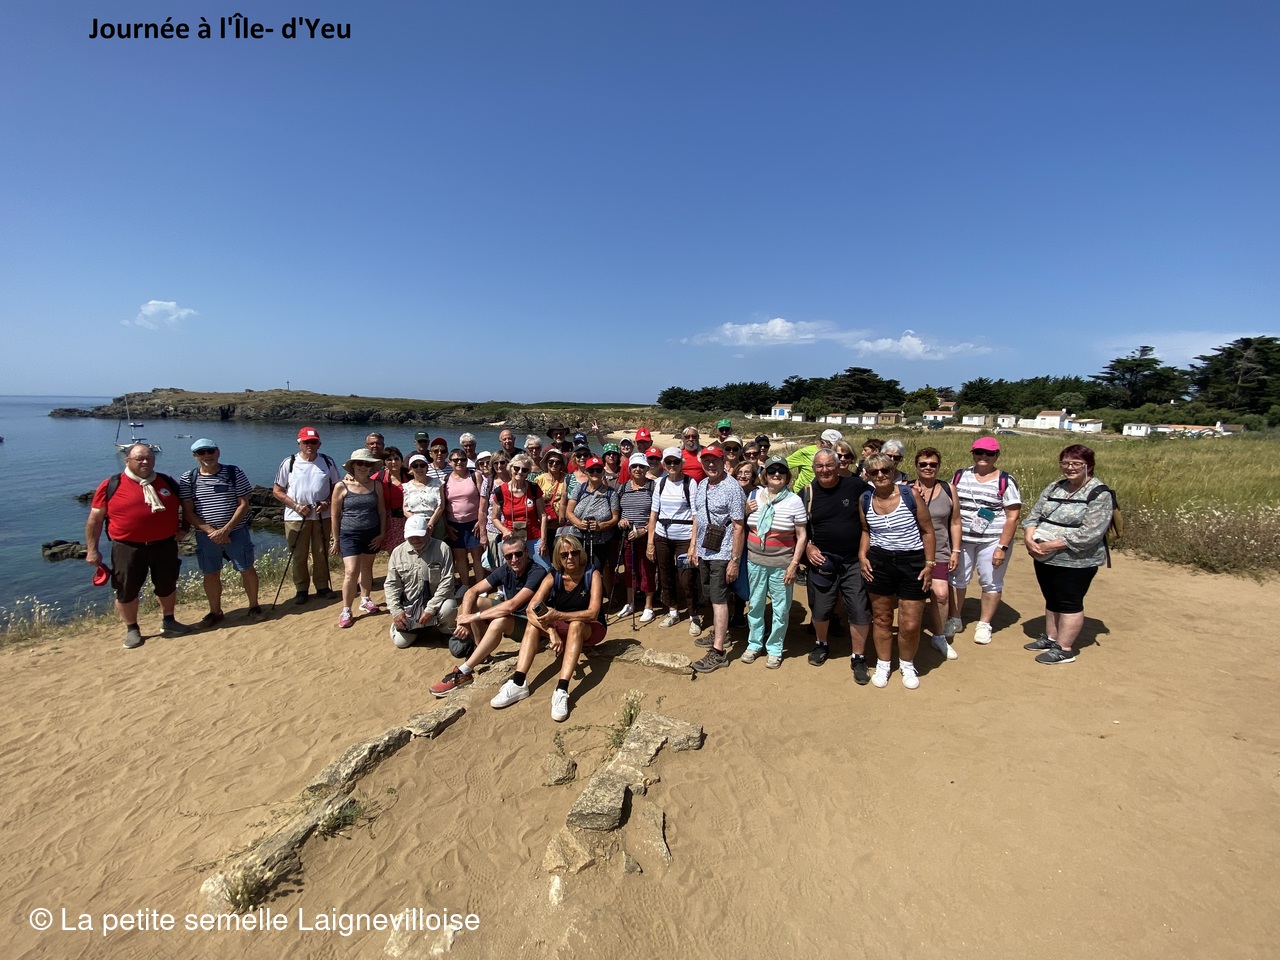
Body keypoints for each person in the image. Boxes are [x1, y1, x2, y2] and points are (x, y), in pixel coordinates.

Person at [84, 442, 190, 648]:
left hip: (164, 545)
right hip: (127, 547)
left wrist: (185, 528)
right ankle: (132, 629)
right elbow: (95, 520)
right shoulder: (111, 485)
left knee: (167, 584)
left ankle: (169, 620)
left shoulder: (167, 482)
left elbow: (187, 506)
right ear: (127, 461)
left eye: (149, 458)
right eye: (139, 458)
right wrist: (92, 550)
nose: (145, 462)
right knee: (126, 589)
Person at [491, 535, 607, 722]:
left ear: (581, 554)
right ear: (558, 557)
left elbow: (593, 613)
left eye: (574, 553)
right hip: (563, 626)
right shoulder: (554, 576)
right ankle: (519, 682)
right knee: (532, 624)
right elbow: (530, 609)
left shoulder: (591, 574)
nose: (570, 558)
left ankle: (562, 689)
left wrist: (558, 616)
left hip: (590, 628)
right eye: (564, 555)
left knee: (576, 624)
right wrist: (551, 631)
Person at [1021, 445, 1115, 664]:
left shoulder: (1099, 494)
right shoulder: (1055, 487)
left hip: (1077, 561)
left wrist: (1051, 546)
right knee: (1052, 597)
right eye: (1065, 463)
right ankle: (1051, 638)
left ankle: (1064, 649)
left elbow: (1090, 534)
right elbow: (1033, 516)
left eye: (1076, 464)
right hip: (1043, 556)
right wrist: (1029, 538)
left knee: (1069, 601)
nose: (1070, 468)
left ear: (1089, 465)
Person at [430, 535, 548, 697]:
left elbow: (512, 605)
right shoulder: (506, 569)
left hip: (534, 626)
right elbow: (472, 591)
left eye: (518, 554)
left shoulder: (537, 572)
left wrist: (473, 617)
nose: (514, 559)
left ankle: (464, 671)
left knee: (499, 621)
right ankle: (481, 652)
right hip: (515, 618)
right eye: (509, 556)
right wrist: (464, 619)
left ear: (527, 552)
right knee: (477, 601)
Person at [858, 453, 936, 689]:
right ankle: (883, 663)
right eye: (874, 472)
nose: (880, 475)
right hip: (880, 562)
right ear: (868, 475)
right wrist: (862, 555)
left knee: (910, 622)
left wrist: (929, 564)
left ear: (893, 471)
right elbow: (866, 530)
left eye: (885, 470)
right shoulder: (865, 499)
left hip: (912, 562)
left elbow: (928, 530)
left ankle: (907, 663)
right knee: (882, 618)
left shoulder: (910, 495)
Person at [803, 449, 874, 682]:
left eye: (829, 465)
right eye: (819, 466)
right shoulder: (807, 492)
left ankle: (858, 657)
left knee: (859, 609)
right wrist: (808, 547)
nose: (824, 470)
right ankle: (821, 644)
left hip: (854, 560)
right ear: (814, 468)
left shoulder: (856, 486)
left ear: (838, 466)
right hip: (822, 560)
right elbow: (799, 528)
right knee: (821, 608)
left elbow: (880, 502)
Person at [179, 438, 260, 624]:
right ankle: (215, 612)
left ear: (218, 452)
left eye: (210, 451)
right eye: (201, 452)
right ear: (195, 456)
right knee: (210, 573)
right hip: (206, 536)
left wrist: (226, 530)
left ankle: (254, 607)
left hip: (236, 532)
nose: (207, 455)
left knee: (246, 569)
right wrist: (211, 532)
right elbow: (188, 511)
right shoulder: (188, 478)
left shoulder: (234, 472)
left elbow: (243, 504)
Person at [950, 437, 1022, 645]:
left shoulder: (1005, 481)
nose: (984, 457)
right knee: (957, 578)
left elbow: (1012, 516)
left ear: (997, 455)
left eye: (989, 453)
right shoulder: (960, 476)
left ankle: (984, 624)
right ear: (972, 453)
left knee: (991, 581)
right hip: (963, 539)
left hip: (992, 540)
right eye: (979, 452)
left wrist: (1002, 547)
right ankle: (955, 618)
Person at [741, 455, 809, 669]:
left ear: (787, 476)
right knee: (755, 605)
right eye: (772, 470)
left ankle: (775, 648)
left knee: (780, 608)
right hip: (755, 562)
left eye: (781, 471)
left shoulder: (794, 501)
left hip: (782, 564)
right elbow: (741, 524)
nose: (776, 474)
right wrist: (745, 511)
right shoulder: (754, 495)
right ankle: (754, 644)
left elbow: (802, 535)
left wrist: (794, 564)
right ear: (765, 474)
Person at [689, 445, 747, 673]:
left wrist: (734, 560)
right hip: (705, 550)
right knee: (712, 595)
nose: (711, 464)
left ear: (724, 462)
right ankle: (721, 633)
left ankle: (719, 651)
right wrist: (693, 546)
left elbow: (739, 527)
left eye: (715, 460)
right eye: (707, 460)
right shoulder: (703, 484)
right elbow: (698, 517)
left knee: (719, 598)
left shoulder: (732, 488)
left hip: (722, 553)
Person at [272, 426, 342, 604]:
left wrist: (327, 502)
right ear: (299, 443)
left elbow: (337, 487)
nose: (310, 445)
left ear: (319, 444)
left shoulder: (327, 461)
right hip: (296, 517)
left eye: (313, 442)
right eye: (306, 442)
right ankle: (301, 589)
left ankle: (322, 587)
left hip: (322, 516)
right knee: (298, 554)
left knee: (321, 552)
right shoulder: (289, 462)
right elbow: (277, 491)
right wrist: (296, 506)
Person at [911, 447, 962, 661]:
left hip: (940, 550)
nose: (928, 467)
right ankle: (908, 635)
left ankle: (939, 636)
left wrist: (956, 550)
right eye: (923, 464)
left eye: (933, 464)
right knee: (909, 596)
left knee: (941, 594)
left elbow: (955, 522)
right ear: (916, 466)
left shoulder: (949, 489)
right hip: (912, 551)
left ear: (939, 466)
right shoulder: (907, 489)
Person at [330, 448, 386, 628]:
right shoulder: (341, 486)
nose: (363, 467)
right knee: (351, 572)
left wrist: (382, 533)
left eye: (367, 464)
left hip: (371, 532)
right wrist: (336, 539)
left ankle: (365, 599)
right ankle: (346, 609)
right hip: (349, 534)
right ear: (353, 465)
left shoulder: (376, 485)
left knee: (367, 568)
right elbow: (335, 515)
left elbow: (381, 511)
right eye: (360, 463)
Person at [385, 514, 460, 650]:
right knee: (401, 643)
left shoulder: (442, 548)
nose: (415, 539)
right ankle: (403, 627)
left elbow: (447, 581)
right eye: (411, 536)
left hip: (437, 599)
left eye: (419, 535)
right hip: (411, 604)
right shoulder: (397, 553)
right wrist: (396, 611)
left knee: (449, 607)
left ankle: (446, 631)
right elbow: (391, 585)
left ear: (428, 531)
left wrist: (430, 609)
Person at [647, 446, 701, 634]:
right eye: (668, 462)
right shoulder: (660, 483)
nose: (672, 465)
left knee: (687, 578)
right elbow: (653, 514)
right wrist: (650, 542)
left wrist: (693, 545)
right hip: (662, 537)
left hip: (684, 538)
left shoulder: (690, 483)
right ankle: (673, 611)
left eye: (675, 461)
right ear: (663, 464)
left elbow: (696, 516)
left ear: (681, 463)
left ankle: (694, 615)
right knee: (665, 575)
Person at [565, 455, 620, 592]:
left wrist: (601, 526)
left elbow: (615, 518)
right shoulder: (579, 488)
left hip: (601, 540)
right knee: (578, 567)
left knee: (596, 569)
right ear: (586, 472)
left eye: (598, 470)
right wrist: (579, 523)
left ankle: (596, 597)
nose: (595, 473)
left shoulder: (611, 493)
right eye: (591, 470)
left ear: (603, 472)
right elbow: (569, 512)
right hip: (579, 538)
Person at [617, 453, 657, 623]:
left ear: (647, 468)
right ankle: (630, 603)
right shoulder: (623, 488)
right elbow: (618, 511)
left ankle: (648, 606)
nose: (638, 469)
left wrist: (644, 530)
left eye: (641, 466)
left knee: (647, 570)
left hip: (646, 535)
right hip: (628, 535)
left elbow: (658, 513)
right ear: (630, 469)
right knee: (629, 569)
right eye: (634, 466)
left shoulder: (653, 486)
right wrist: (621, 521)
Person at [491, 453, 550, 568]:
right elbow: (494, 518)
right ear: (510, 468)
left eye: (524, 470)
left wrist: (543, 540)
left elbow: (543, 515)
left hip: (534, 537)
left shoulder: (534, 488)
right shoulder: (500, 492)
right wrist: (504, 530)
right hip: (511, 539)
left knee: (545, 568)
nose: (520, 472)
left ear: (528, 472)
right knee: (513, 570)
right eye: (516, 468)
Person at [442, 447, 486, 590]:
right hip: (454, 524)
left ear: (467, 461)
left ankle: (480, 586)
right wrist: (447, 526)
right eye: (455, 460)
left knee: (477, 555)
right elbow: (443, 505)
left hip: (474, 522)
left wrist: (480, 521)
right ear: (450, 462)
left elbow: (483, 500)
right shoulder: (446, 479)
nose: (459, 462)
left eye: (462, 459)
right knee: (460, 556)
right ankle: (465, 585)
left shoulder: (475, 475)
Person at [403, 453, 445, 541]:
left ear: (427, 467)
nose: (419, 468)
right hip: (415, 525)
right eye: (415, 466)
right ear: (411, 469)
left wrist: (430, 524)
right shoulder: (406, 486)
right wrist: (419, 523)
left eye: (422, 465)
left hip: (435, 523)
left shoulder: (438, 483)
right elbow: (405, 509)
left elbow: (441, 506)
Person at [535, 448, 570, 543]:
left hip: (561, 524)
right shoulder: (539, 480)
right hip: (543, 524)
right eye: (551, 462)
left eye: (558, 462)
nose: (554, 464)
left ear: (561, 464)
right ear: (546, 463)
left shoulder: (567, 478)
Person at [378, 446, 408, 555]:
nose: (393, 462)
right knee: (394, 551)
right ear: (384, 462)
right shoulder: (379, 477)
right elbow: (363, 482)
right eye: (389, 459)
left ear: (401, 460)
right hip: (388, 520)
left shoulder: (409, 475)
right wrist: (350, 476)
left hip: (406, 517)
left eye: (396, 459)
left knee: (408, 549)